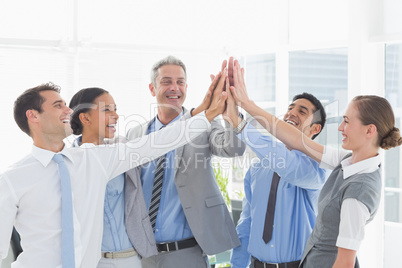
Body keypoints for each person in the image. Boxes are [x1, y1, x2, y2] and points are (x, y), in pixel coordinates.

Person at [0, 79, 227, 268]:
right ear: (33, 116)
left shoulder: (93, 160)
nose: (69, 110)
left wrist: (205, 116)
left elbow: (157, 142)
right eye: (58, 105)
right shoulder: (11, 180)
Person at [227, 59, 402, 268]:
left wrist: (240, 123)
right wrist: (245, 105)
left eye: (347, 121)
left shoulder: (326, 173)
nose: (340, 128)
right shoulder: (344, 162)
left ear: (369, 130)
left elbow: (345, 262)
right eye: (290, 108)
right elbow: (294, 139)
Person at [125, 55, 246, 268]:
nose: (175, 88)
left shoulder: (203, 125)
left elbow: (233, 148)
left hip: (187, 253)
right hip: (141, 252)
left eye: (180, 82)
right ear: (152, 89)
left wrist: (232, 113)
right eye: (166, 82)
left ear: (186, 87)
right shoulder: (136, 134)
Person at [230, 92, 327, 268]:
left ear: (315, 129)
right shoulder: (257, 168)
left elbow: (287, 165)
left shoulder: (316, 169)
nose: (292, 113)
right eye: (290, 108)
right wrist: (237, 264)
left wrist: (239, 124)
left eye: (302, 111)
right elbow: (247, 222)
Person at [69, 87, 154, 267]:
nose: (115, 115)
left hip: (132, 259)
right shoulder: (68, 164)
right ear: (85, 118)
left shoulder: (121, 150)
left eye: (115, 109)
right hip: (93, 261)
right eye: (107, 110)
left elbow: (162, 139)